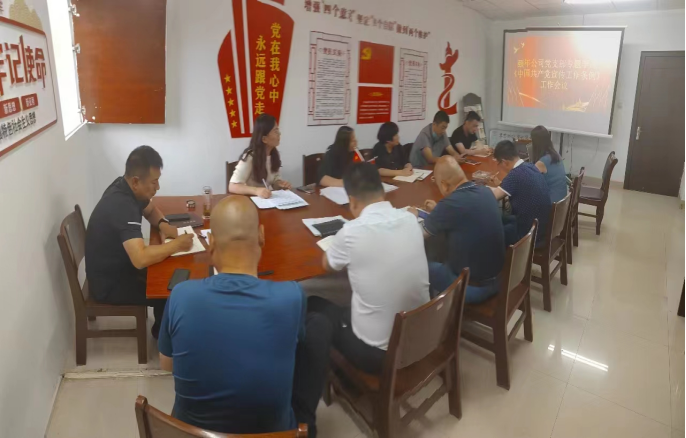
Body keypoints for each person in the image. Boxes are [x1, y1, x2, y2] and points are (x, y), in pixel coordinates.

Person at [158, 196, 332, 437]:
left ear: (211, 242)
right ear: (261, 235)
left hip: (191, 433)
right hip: (272, 434)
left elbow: (167, 364)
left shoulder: (181, 294)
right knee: (317, 325)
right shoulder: (290, 296)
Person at [309, 162, 430, 374]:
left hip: (380, 356)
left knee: (313, 304)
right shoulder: (410, 220)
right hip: (423, 338)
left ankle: (339, 378)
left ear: (352, 201)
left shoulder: (350, 232)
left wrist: (339, 242)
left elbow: (327, 264)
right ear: (382, 191)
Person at [85, 146, 194, 338]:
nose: (157, 187)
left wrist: (164, 226)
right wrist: (176, 245)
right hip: (109, 284)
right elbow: (140, 258)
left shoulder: (124, 185)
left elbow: (150, 211)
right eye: (154, 182)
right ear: (136, 181)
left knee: (167, 272)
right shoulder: (122, 206)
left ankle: (164, 327)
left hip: (117, 265)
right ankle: (161, 335)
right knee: (167, 289)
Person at [410, 156, 505, 303]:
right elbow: (463, 213)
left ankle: (433, 313)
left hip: (471, 288)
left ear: (444, 184)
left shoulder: (450, 204)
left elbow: (416, 236)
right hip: (497, 279)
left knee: (419, 267)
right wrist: (438, 210)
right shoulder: (485, 191)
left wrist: (410, 217)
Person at [490, 140, 551, 247]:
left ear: (504, 162)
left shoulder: (514, 175)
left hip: (528, 234)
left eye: (498, 163)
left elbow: (492, 198)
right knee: (501, 218)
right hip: (542, 228)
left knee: (490, 233)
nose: (498, 167)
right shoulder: (531, 166)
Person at [229, 114, 292, 198]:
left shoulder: (273, 155)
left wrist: (279, 184)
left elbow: (274, 182)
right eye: (275, 131)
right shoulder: (250, 157)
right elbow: (232, 186)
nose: (279, 134)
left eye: (278, 130)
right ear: (264, 139)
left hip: (267, 200)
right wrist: (256, 191)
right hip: (251, 202)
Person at [531, 125, 567, 203]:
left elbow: (528, 179)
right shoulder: (556, 155)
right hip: (562, 199)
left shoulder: (543, 162)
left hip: (552, 202)